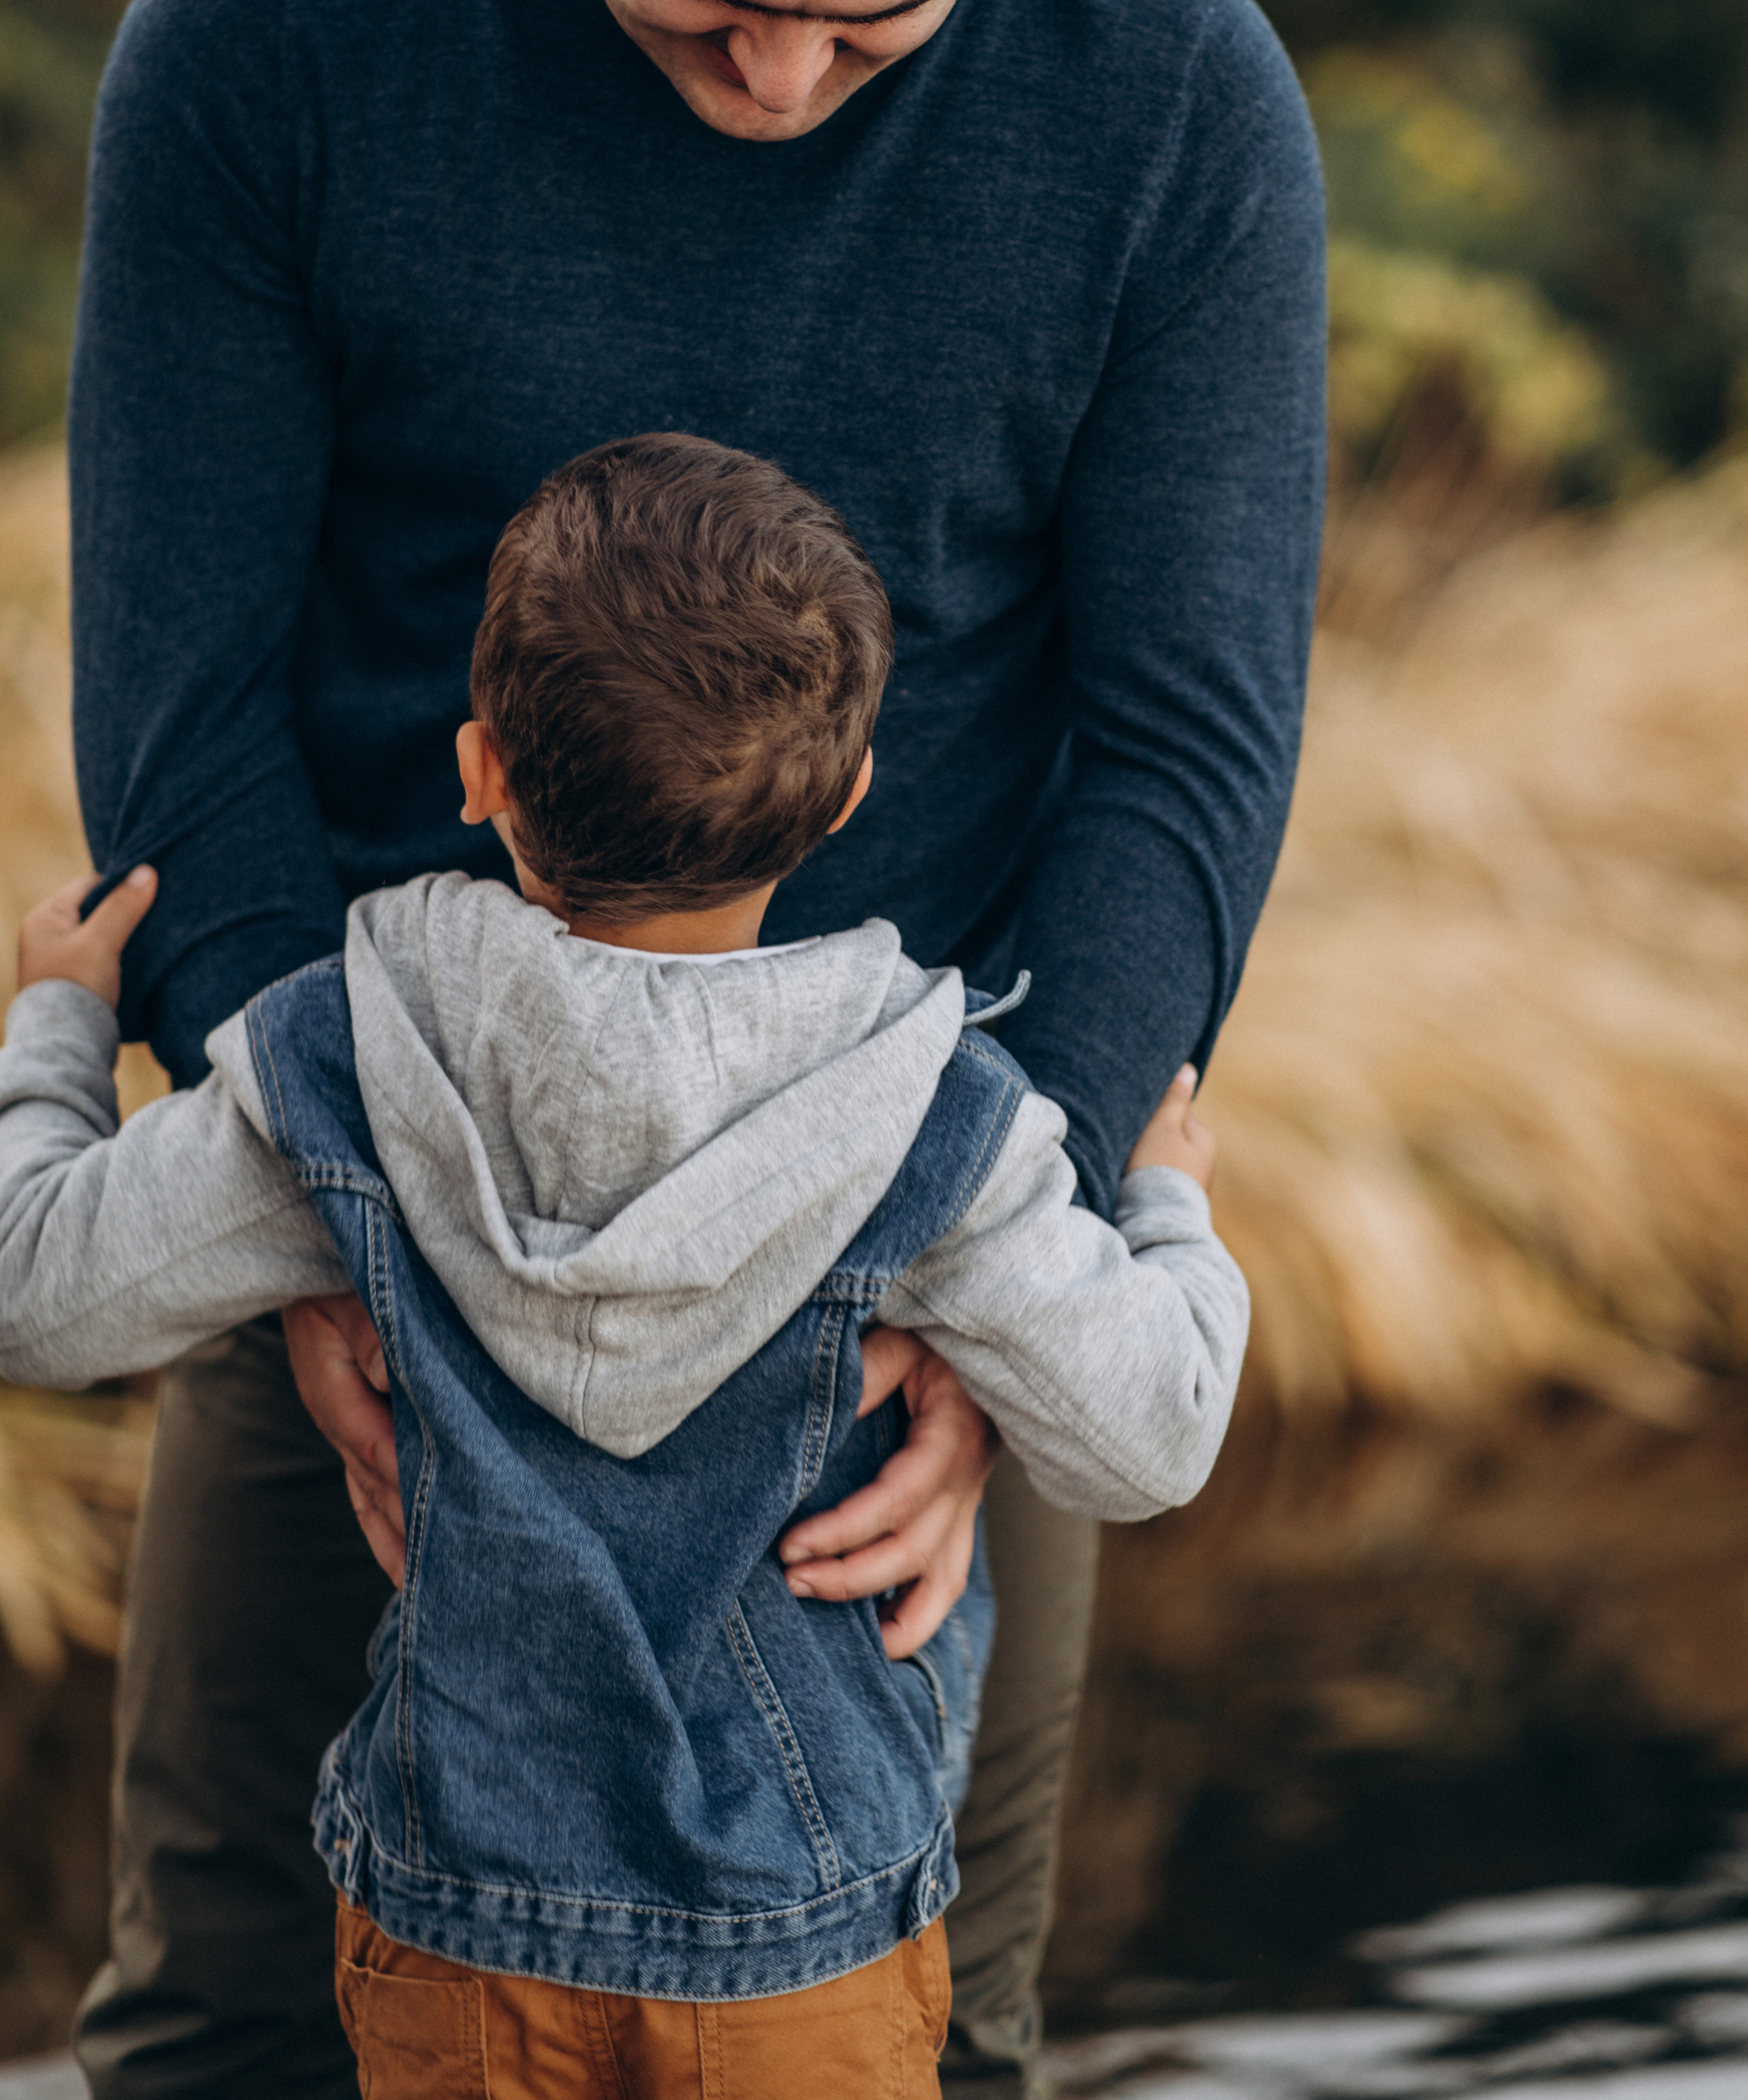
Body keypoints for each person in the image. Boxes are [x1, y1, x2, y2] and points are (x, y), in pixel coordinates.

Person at [68, 0, 1325, 2096]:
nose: (777, 73)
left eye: (874, 18)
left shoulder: (1179, 96)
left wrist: (1035, 1268)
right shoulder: (271, 24)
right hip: (350, 1160)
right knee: (223, 2023)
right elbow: (181, 693)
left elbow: (1185, 736)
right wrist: (327, 1229)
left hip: (928, 1257)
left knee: (915, 2032)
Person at [2, 433, 1248, 2100]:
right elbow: (1149, 1434)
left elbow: (35, 1288)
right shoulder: (937, 1120)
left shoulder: (340, 1064)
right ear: (851, 796)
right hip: (807, 1953)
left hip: (462, 1933)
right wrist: (1161, 1205)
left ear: (477, 769)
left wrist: (59, 1024)